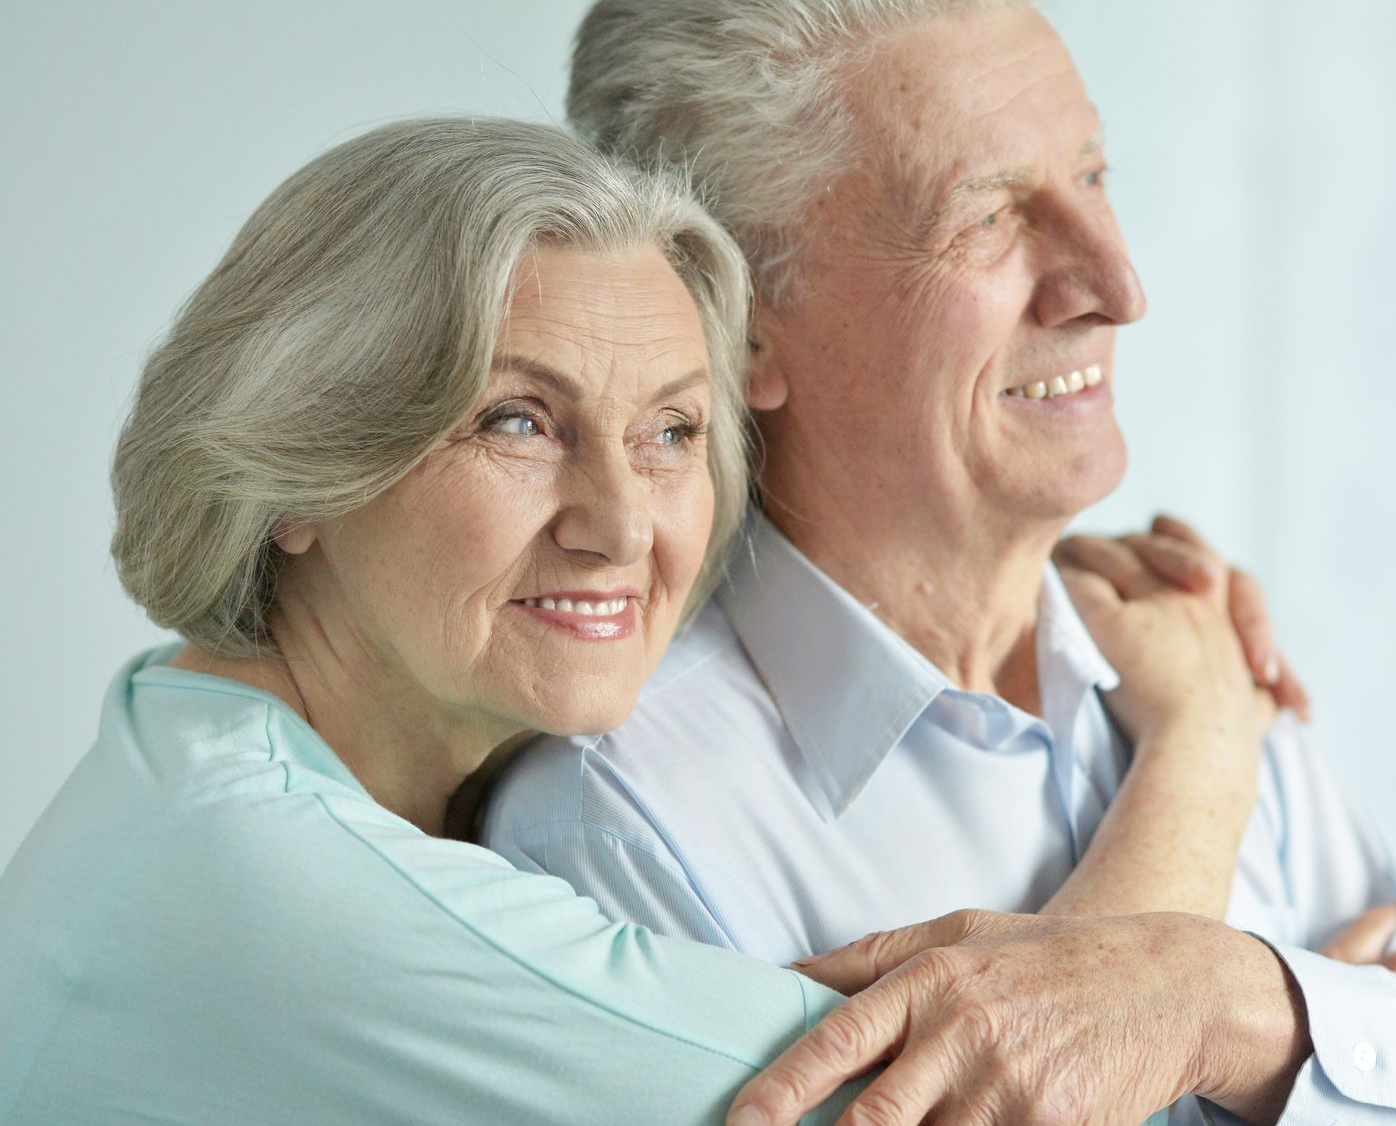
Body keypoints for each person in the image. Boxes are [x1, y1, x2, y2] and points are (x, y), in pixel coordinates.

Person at [480, 0, 1396, 1123]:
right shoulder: (619, 832)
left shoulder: (1187, 658)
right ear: (738, 328)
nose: (1116, 286)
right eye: (989, 218)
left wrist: (1266, 1011)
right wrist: (1316, 1023)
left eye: (1092, 177)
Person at [0, 115, 1327, 1126]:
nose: (622, 524)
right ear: (297, 471)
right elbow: (1030, 1084)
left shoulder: (198, 745)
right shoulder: (283, 883)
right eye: (517, 420)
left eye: (672, 431)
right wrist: (1207, 740)